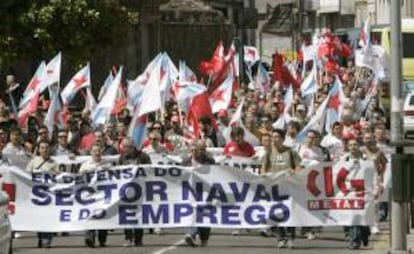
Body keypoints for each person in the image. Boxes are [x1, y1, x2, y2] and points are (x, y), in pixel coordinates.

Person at [260, 128, 301, 248]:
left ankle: (290, 238)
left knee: (290, 213)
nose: (274, 139)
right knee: (273, 213)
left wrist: (293, 171)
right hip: (273, 189)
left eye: (277, 137)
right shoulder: (268, 153)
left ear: (283, 139)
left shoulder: (290, 152)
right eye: (273, 137)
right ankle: (280, 238)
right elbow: (263, 168)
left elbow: (299, 168)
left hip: (288, 187)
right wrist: (263, 173)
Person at [119, 138, 151, 246]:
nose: (124, 149)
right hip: (127, 190)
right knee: (126, 214)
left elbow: (150, 171)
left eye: (126, 147)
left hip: (140, 189)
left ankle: (138, 238)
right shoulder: (122, 158)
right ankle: (128, 237)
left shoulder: (143, 157)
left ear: (132, 147)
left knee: (139, 214)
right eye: (123, 147)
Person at [182, 140, 215, 247]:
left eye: (196, 150)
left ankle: (204, 238)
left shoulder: (209, 161)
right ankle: (190, 234)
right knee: (190, 213)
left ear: (201, 151)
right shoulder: (185, 161)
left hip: (205, 192)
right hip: (190, 192)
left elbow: (216, 174)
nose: (194, 152)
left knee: (204, 217)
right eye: (192, 150)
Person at [26, 141, 58, 248]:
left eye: (46, 148)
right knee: (39, 218)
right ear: (39, 150)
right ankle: (41, 237)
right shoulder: (33, 162)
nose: (44, 150)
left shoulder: (54, 162)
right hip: (37, 196)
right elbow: (26, 176)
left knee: (48, 217)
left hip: (49, 196)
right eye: (42, 148)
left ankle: (46, 239)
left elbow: (58, 178)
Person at [79, 143, 111, 248]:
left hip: (103, 195)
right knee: (90, 215)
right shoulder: (85, 165)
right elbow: (79, 179)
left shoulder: (107, 165)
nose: (97, 153)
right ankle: (89, 238)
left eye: (99, 151)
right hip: (90, 195)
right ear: (91, 152)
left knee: (103, 216)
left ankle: (102, 239)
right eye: (95, 151)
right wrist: (84, 172)